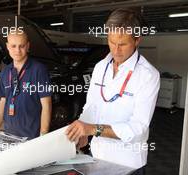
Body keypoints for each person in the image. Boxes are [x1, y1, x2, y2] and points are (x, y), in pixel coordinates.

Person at [66, 8, 160, 174]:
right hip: (97, 156)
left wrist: (92, 129)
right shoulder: (100, 67)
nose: (116, 50)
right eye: (111, 42)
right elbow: (91, 106)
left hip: (128, 164)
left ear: (137, 40)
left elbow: (138, 128)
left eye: (123, 44)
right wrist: (82, 133)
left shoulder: (148, 75)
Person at [0, 29, 52, 139]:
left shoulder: (39, 70)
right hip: (9, 135)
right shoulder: (5, 72)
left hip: (32, 136)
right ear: (7, 46)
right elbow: (3, 100)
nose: (17, 50)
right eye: (13, 46)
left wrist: (43, 135)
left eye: (22, 46)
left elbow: (47, 105)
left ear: (28, 46)